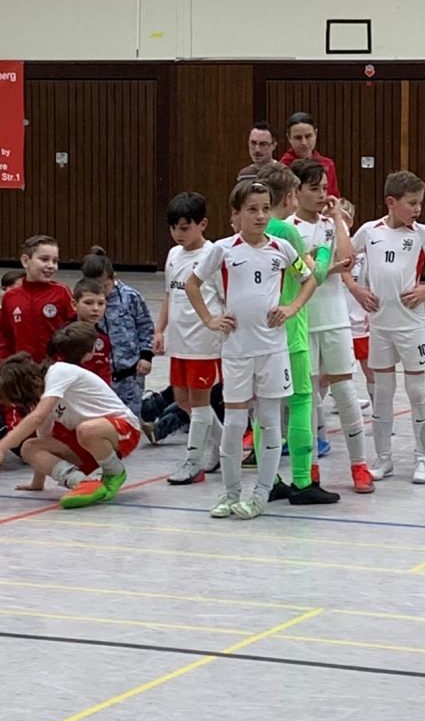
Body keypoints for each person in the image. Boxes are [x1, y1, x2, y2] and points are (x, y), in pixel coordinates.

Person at [186, 180, 317, 520]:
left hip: (273, 350)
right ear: (236, 214)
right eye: (252, 209)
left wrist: (292, 308)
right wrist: (210, 319)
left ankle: (260, 493)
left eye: (265, 209)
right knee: (234, 423)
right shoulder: (223, 250)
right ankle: (230, 493)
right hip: (237, 351)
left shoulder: (282, 249)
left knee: (270, 421)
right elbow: (192, 283)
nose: (260, 216)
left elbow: (308, 278)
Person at [352, 170, 425, 484]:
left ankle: (422, 458)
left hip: (411, 326)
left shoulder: (422, 234)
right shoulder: (369, 231)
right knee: (383, 393)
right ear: (391, 202)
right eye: (411, 203)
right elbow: (343, 260)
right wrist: (356, 289)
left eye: (420, 203)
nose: (417, 209)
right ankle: (383, 459)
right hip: (380, 326)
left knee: (417, 391)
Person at [256, 163, 341, 504]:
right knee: (302, 400)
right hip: (291, 329)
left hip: (260, 331)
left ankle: (269, 479)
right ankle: (303, 481)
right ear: (290, 196)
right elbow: (313, 276)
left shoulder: (254, 230)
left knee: (265, 408)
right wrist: (323, 250)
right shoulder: (287, 232)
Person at [289, 159, 374, 494]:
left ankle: (359, 465)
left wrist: (338, 218)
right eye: (314, 189)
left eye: (325, 188)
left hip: (335, 318)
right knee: (308, 398)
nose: (322, 195)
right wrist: (328, 267)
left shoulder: (330, 224)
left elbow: (348, 259)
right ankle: (310, 467)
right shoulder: (288, 228)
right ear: (296, 191)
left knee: (345, 391)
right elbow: (305, 273)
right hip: (304, 321)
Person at [0, 323, 141, 508]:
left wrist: (2, 446)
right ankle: (82, 483)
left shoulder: (58, 371)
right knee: (29, 446)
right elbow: (43, 437)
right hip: (89, 442)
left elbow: (37, 418)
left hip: (123, 429)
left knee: (86, 429)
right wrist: (37, 483)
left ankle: (114, 472)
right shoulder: (43, 398)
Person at [154, 192, 224, 486]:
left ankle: (193, 462)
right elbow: (170, 295)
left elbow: (225, 296)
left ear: (202, 224)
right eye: (173, 228)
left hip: (204, 343)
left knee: (199, 402)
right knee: (183, 400)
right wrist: (160, 330)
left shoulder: (214, 255)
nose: (178, 234)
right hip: (179, 341)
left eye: (184, 228)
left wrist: (217, 324)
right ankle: (223, 444)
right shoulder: (173, 255)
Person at [80, 248, 154, 418]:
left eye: (104, 286)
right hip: (97, 375)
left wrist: (146, 356)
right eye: (94, 286)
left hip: (130, 374)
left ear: (114, 278)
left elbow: (146, 326)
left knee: (129, 419)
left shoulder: (130, 297)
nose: (99, 290)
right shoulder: (83, 300)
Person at [0, 236, 73, 362]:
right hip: (23, 369)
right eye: (44, 259)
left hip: (55, 367)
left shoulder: (62, 292)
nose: (51, 266)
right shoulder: (10, 297)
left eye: (55, 261)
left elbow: (75, 331)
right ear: (25, 261)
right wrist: (6, 363)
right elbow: (5, 337)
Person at [339, 199, 375, 409]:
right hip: (337, 318)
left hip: (359, 317)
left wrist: (372, 310)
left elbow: (372, 281)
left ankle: (380, 410)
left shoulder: (362, 251)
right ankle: (338, 401)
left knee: (369, 365)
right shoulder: (326, 250)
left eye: (342, 219)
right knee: (333, 369)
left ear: (350, 222)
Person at [279, 113, 339, 197]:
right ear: (289, 138)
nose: (304, 143)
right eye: (298, 138)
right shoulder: (282, 168)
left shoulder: (327, 164)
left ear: (316, 134)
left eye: (308, 136)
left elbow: (333, 196)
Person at [69, 278, 113, 385]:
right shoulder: (65, 336)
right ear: (74, 305)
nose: (95, 308)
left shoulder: (103, 339)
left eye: (101, 303)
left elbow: (104, 372)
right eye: (88, 303)